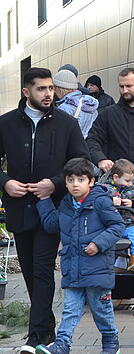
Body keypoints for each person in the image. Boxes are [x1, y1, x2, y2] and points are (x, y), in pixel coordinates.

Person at [0, 68, 91, 352]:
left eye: (51, 88)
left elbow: (82, 162)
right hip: (18, 209)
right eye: (41, 89)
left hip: (52, 211)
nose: (49, 94)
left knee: (42, 270)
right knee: (29, 271)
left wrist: (54, 184)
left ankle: (34, 338)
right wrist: (5, 183)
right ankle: (47, 331)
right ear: (26, 92)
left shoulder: (66, 124)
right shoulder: (6, 124)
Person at [34, 158, 125, 354]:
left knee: (101, 310)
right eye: (70, 180)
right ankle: (62, 344)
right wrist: (44, 200)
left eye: (80, 180)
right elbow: (51, 224)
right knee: (70, 310)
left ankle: (110, 341)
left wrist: (98, 244)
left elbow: (117, 225)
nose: (75, 184)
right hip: (73, 267)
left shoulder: (100, 201)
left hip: (97, 268)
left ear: (91, 181)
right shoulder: (66, 204)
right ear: (65, 182)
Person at [86, 68, 134, 173]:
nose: (125, 90)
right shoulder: (108, 114)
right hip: (116, 178)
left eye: (129, 86)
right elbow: (92, 139)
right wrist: (101, 159)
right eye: (121, 86)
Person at [101, 159, 134, 273]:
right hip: (108, 226)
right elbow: (96, 202)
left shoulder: (133, 190)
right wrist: (110, 201)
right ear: (115, 177)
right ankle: (103, 263)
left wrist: (133, 204)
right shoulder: (103, 189)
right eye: (127, 181)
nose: (130, 184)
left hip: (127, 225)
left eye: (132, 181)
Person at [53, 69, 99, 138]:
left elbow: (59, 135)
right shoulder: (90, 104)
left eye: (54, 88)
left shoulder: (64, 108)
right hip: (89, 146)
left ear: (59, 88)